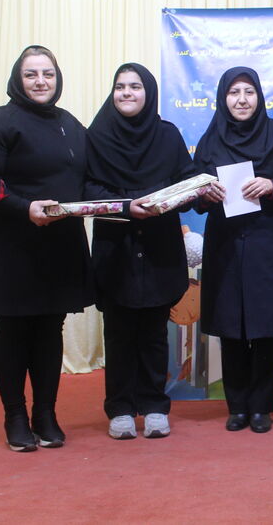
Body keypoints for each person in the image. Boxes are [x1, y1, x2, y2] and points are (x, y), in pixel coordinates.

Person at [0, 45, 93, 452]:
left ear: (58, 78)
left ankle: (46, 414)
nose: (41, 82)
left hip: (60, 245)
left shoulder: (71, 125)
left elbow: (87, 179)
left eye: (48, 74)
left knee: (51, 329)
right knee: (14, 330)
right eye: (31, 74)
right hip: (12, 247)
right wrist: (25, 208)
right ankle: (15, 416)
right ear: (18, 80)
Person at [85, 62, 201, 441]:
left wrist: (189, 191)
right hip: (116, 248)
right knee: (118, 335)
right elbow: (87, 188)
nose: (127, 93)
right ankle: (120, 408)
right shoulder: (97, 136)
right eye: (120, 86)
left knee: (153, 333)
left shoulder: (168, 135)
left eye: (135, 86)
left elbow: (186, 180)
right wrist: (126, 206)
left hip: (158, 247)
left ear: (148, 93)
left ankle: (154, 406)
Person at [194, 67, 273, 434]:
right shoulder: (210, 139)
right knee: (230, 327)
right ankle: (237, 407)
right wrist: (205, 193)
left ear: (259, 96)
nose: (241, 100)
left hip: (266, 243)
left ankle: (261, 407)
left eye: (249, 92)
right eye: (234, 92)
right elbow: (193, 195)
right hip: (225, 246)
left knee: (265, 328)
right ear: (223, 98)